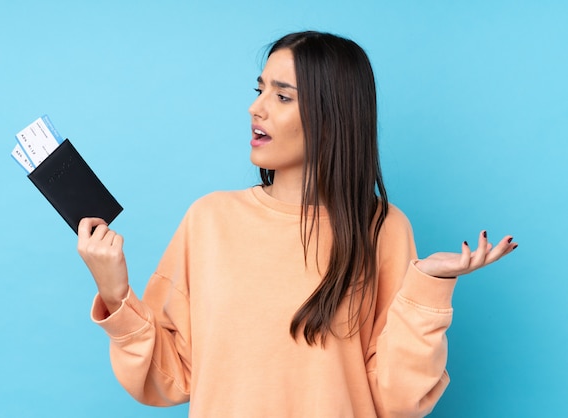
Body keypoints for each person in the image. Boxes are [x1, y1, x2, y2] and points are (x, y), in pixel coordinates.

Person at [77, 31, 517, 417]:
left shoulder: (383, 228)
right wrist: (115, 293)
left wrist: (427, 285)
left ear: (332, 117)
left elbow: (400, 400)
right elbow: (168, 378)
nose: (256, 108)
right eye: (260, 89)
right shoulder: (209, 219)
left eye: (282, 96)